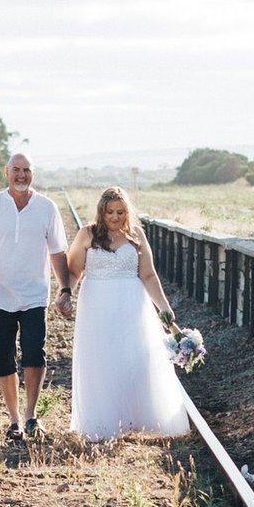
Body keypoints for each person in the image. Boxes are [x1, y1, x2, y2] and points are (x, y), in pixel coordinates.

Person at [61, 185, 190, 442]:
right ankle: (104, 423)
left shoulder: (137, 235)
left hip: (133, 304)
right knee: (102, 361)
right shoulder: (87, 234)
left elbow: (148, 275)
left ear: (127, 211)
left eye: (120, 211)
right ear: (101, 211)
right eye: (110, 212)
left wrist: (164, 308)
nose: (115, 217)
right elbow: (74, 271)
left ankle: (140, 419)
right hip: (97, 306)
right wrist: (65, 294)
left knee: (135, 359)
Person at [0, 152, 74, 441]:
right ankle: (14, 419)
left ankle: (31, 416)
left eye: (27, 170)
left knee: (34, 354)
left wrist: (65, 289)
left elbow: (57, 253)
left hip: (34, 295)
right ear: (7, 172)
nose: (22, 175)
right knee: (2, 359)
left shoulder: (47, 208)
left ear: (33, 174)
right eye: (16, 170)